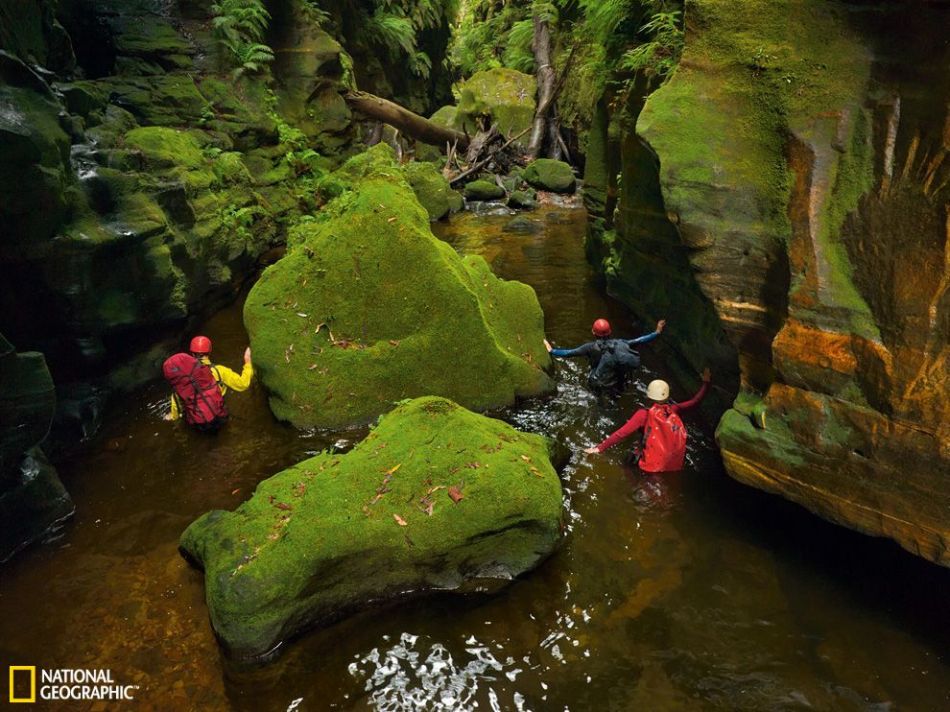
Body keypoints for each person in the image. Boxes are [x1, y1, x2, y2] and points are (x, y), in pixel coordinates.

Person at [584, 367, 711, 472]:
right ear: (667, 395)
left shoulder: (643, 415)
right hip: (671, 465)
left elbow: (621, 434)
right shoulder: (674, 409)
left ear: (649, 396)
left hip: (650, 465)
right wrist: (706, 382)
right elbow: (695, 401)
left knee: (627, 465)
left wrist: (599, 448)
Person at [544, 318, 666, 391]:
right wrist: (656, 332)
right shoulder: (621, 343)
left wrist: (552, 351)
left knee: (597, 392)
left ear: (593, 332)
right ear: (610, 332)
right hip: (617, 379)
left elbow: (569, 353)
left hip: (599, 378)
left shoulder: (589, 347)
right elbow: (639, 340)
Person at [163, 335, 253, 430]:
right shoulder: (219, 371)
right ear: (209, 351)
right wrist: (248, 363)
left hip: (198, 423)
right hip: (220, 414)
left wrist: (172, 417)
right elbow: (243, 384)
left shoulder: (182, 382)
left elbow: (176, 408)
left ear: (192, 354)